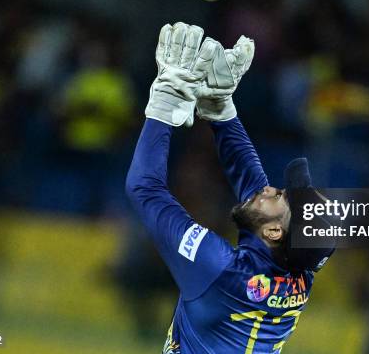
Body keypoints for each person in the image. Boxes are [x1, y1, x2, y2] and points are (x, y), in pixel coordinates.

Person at [125, 22, 335, 353]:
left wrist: (165, 102)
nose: (269, 189)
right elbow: (254, 188)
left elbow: (144, 188)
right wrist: (221, 109)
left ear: (275, 233)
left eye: (280, 196)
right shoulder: (298, 270)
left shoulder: (219, 269)